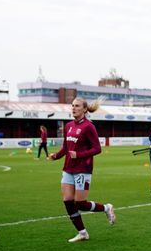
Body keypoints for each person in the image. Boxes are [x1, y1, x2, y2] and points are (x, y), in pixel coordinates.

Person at [49, 97, 116, 242]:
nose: (73, 108)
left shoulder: (88, 126)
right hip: (68, 168)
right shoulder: (68, 126)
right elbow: (66, 148)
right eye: (72, 106)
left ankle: (106, 208)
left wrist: (79, 155)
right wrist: (56, 156)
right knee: (67, 200)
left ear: (84, 109)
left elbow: (97, 149)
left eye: (77, 106)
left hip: (83, 169)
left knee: (80, 203)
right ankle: (82, 233)